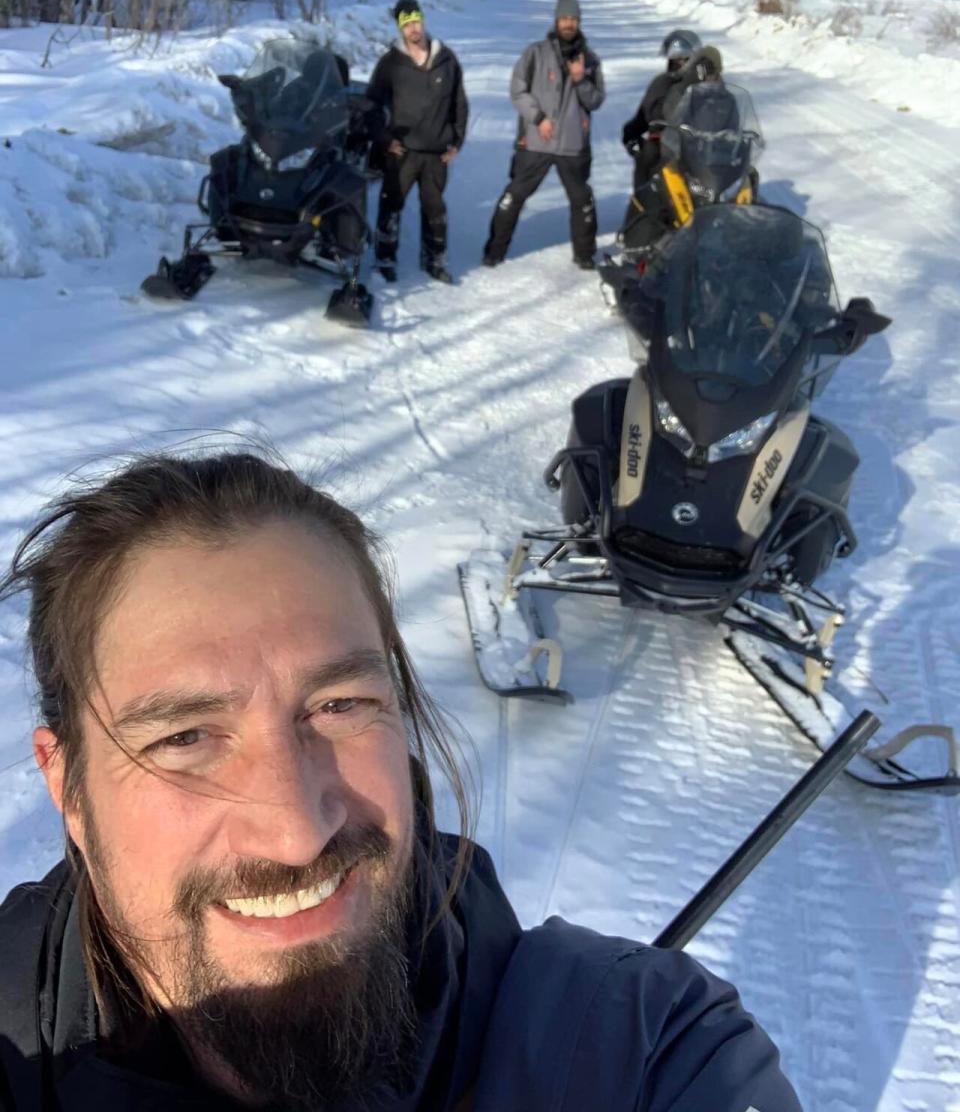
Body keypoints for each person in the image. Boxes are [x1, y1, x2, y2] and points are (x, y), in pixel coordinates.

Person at [0, 451, 802, 1111]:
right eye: (185, 736)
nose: (297, 829)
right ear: (68, 787)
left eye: (339, 703)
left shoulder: (638, 1048)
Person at [483, 0, 605, 271]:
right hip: (536, 141)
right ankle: (493, 252)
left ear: (579, 21)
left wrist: (579, 80)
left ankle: (585, 255)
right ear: (555, 20)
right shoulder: (535, 53)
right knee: (513, 196)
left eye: (573, 18)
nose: (568, 23)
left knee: (582, 200)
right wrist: (538, 118)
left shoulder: (591, 60)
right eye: (563, 17)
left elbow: (596, 100)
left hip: (573, 145)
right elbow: (517, 90)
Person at [366, 0, 468, 284]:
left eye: (416, 21)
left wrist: (457, 141)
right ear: (401, 28)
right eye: (407, 24)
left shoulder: (447, 60)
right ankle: (385, 260)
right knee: (391, 206)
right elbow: (372, 105)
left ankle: (434, 261)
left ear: (423, 21)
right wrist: (385, 139)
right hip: (402, 151)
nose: (414, 28)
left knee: (435, 208)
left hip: (436, 152)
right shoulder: (390, 63)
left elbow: (460, 103)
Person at [621, 28, 702, 194]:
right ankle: (644, 209)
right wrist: (630, 136)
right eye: (675, 60)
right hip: (663, 147)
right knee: (647, 156)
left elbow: (725, 112)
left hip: (698, 146)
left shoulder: (706, 86)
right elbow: (642, 117)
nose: (679, 64)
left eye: (684, 60)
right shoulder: (660, 84)